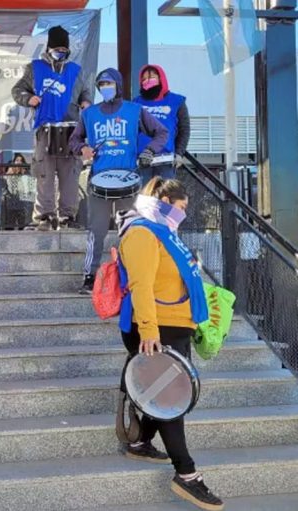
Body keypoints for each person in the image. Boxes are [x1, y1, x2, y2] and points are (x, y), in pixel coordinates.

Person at [117, 177, 223, 511]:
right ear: (163, 202)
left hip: (175, 324)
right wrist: (149, 331)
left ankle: (140, 442)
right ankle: (186, 474)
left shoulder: (163, 231)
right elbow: (141, 285)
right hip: (157, 327)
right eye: (181, 207)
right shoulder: (142, 233)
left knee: (165, 394)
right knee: (171, 400)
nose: (183, 213)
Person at [69, 68, 168, 294]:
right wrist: (82, 148)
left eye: (109, 83)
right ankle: (90, 276)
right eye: (101, 85)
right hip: (98, 180)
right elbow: (73, 140)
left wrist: (149, 151)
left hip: (128, 180)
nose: (105, 88)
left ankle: (132, 276)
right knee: (96, 230)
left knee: (131, 230)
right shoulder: (89, 114)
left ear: (118, 85)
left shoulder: (135, 110)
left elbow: (161, 132)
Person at [11, 25, 91, 231]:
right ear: (48, 49)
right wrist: (29, 99)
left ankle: (67, 216)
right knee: (44, 174)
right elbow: (17, 90)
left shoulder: (75, 70)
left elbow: (85, 91)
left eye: (64, 49)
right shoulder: (35, 68)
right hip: (45, 129)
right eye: (57, 49)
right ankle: (44, 216)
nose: (60, 53)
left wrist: (86, 102)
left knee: (70, 176)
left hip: (71, 129)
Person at [133, 64, 191, 182]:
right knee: (144, 194)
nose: (147, 81)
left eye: (152, 77)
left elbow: (184, 129)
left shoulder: (177, 101)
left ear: (161, 78)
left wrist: (179, 153)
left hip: (166, 161)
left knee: (164, 193)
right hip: (142, 161)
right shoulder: (136, 102)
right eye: (144, 79)